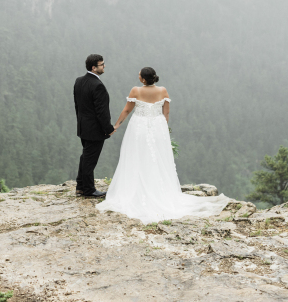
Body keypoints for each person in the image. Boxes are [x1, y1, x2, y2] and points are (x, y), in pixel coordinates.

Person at [96, 66, 230, 223]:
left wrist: (116, 125)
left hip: (139, 128)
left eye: (139, 74)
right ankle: (158, 190)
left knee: (137, 156)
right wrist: (162, 128)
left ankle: (137, 190)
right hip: (158, 128)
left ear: (143, 79)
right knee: (157, 159)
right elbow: (166, 113)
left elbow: (126, 111)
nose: (138, 75)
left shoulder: (136, 91)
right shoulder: (163, 91)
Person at [74, 54, 115, 198]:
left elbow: (77, 106)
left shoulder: (79, 81)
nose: (104, 66)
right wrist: (108, 129)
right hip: (95, 130)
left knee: (85, 156)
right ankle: (89, 190)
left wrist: (81, 123)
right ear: (94, 67)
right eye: (102, 64)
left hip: (83, 127)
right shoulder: (97, 86)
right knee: (90, 160)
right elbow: (101, 112)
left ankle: (80, 186)